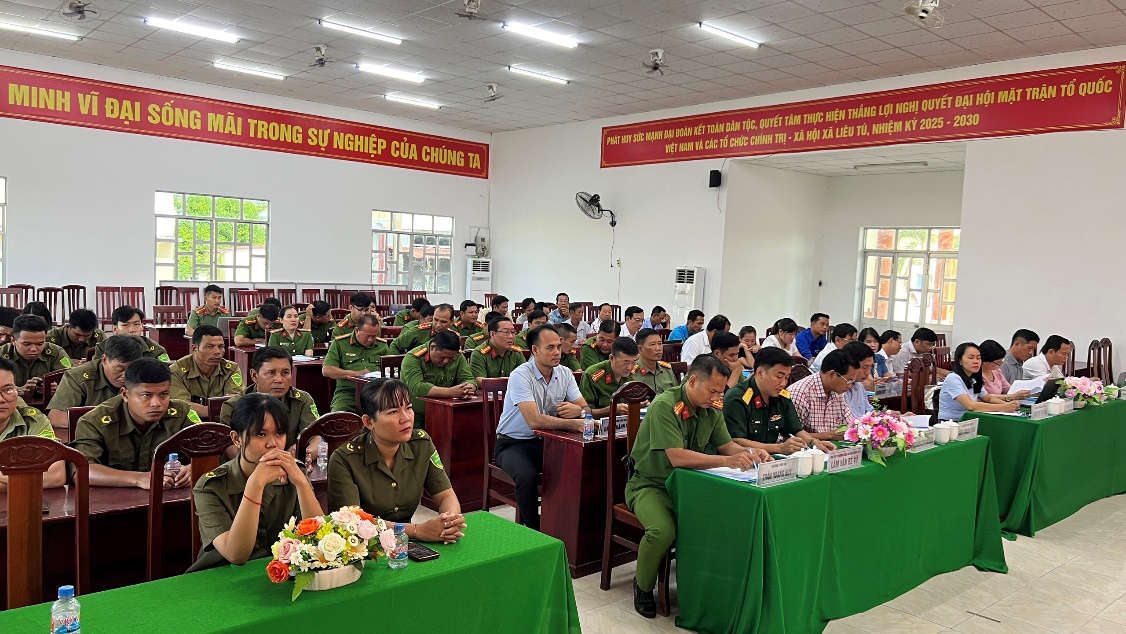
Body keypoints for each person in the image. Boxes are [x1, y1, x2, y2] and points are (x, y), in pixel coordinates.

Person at [626, 355, 772, 618]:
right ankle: (643, 586)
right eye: (712, 391)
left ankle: (708, 590)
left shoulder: (711, 408)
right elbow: (677, 457)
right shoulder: (665, 406)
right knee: (661, 531)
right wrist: (727, 460)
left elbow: (727, 445)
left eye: (720, 392)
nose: (716, 397)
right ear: (692, 381)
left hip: (693, 486)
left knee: (725, 523)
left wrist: (751, 453)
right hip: (652, 485)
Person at [188, 393, 323, 572]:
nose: (272, 444)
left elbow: (319, 537)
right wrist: (255, 484)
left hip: (280, 571)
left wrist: (301, 483)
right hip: (221, 575)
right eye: (260, 434)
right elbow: (236, 555)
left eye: (280, 433)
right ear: (236, 439)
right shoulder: (211, 486)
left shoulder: (294, 472)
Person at [328, 379, 466, 542]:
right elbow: (353, 522)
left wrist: (449, 522)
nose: (405, 418)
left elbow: (446, 496)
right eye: (393, 412)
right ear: (369, 422)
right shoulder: (344, 459)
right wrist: (416, 530)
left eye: (408, 408)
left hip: (409, 543)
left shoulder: (421, 444)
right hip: (365, 546)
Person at [495, 325, 591, 530]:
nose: (557, 352)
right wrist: (574, 423)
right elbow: (534, 421)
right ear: (535, 350)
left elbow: (585, 409)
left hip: (550, 442)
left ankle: (565, 525)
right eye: (550, 348)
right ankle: (534, 531)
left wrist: (579, 412)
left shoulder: (564, 373)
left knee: (579, 468)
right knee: (527, 477)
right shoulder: (521, 375)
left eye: (558, 347)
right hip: (513, 443)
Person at [71, 358, 201, 489]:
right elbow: (81, 471)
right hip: (114, 499)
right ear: (125, 394)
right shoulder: (94, 421)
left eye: (164, 394)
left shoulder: (181, 412)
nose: (156, 403)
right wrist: (138, 479)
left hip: (171, 496)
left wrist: (193, 468)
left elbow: (211, 450)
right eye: (146, 395)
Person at [723, 347, 837, 456]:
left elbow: (796, 430)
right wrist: (779, 448)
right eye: (779, 376)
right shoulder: (737, 398)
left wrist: (814, 443)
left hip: (772, 460)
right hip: (744, 461)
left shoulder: (781, 396)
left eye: (786, 378)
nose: (783, 383)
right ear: (760, 373)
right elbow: (736, 441)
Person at [220, 347, 318, 449]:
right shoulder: (232, 406)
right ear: (254, 375)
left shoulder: (302, 400)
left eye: (285, 373)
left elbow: (315, 438)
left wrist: (299, 454)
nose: (279, 380)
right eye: (271, 373)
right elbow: (230, 449)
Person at [47, 334, 146, 429]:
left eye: (131, 369)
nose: (125, 376)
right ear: (104, 360)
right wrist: (103, 423)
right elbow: (56, 418)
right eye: (120, 369)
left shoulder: (145, 374)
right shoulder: (77, 377)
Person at [0, 357, 66, 491]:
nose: (1, 399)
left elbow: (56, 476)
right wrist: (29, 480)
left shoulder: (33, 420)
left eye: (8, 390)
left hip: (22, 501)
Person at [400, 330, 476, 428]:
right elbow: (417, 387)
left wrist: (468, 388)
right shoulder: (413, 358)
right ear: (432, 347)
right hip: (417, 416)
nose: (446, 361)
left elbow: (468, 378)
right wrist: (450, 392)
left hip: (448, 413)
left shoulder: (457, 356)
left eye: (451, 359)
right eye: (442, 357)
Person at [322, 314, 392, 413]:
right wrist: (355, 374)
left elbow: (391, 368)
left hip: (376, 392)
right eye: (367, 336)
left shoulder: (382, 345)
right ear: (356, 330)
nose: (370, 340)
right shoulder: (340, 343)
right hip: (348, 392)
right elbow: (327, 370)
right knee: (338, 416)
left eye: (374, 336)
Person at [170, 325, 244, 418]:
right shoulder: (177, 371)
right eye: (210, 347)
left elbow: (236, 402)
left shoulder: (231, 369)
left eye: (221, 346)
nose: (217, 352)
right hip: (189, 422)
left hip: (223, 421)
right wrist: (218, 411)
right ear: (194, 348)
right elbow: (181, 406)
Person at [938, 343, 1023, 420]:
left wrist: (1007, 404)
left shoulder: (973, 378)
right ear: (960, 360)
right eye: (971, 358)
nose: (976, 361)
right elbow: (970, 405)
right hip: (951, 423)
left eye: (978, 358)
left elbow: (988, 398)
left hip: (970, 420)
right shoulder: (953, 378)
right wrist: (1003, 407)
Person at [789, 350, 858, 441]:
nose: (850, 386)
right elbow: (790, 436)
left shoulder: (837, 392)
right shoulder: (800, 393)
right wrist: (827, 435)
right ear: (831, 374)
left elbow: (850, 424)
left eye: (852, 381)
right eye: (848, 380)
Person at [0, 315, 72, 398]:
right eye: (27, 344)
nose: (34, 349)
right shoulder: (2, 354)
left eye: (40, 344)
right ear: (13, 341)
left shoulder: (56, 353)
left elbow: (74, 380)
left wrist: (58, 389)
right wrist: (16, 390)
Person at [580, 337, 640, 417]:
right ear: (611, 358)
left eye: (634, 362)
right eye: (625, 362)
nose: (629, 367)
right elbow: (584, 412)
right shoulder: (593, 375)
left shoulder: (632, 374)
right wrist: (611, 409)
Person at [92, 306, 170, 362]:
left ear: (142, 326)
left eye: (136, 324)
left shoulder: (156, 350)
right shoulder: (103, 348)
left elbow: (165, 373)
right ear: (115, 329)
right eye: (125, 325)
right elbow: (97, 372)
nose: (132, 330)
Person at [469, 316, 525, 385]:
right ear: (492, 334)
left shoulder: (516, 352)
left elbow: (524, 377)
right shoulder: (479, 353)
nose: (510, 336)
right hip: (489, 391)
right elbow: (480, 381)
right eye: (505, 332)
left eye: (513, 332)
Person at [629, 329, 678, 395]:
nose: (658, 348)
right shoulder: (632, 373)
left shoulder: (667, 370)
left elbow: (676, 394)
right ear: (640, 349)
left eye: (660, 343)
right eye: (652, 344)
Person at [841, 341, 876, 419]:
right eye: (865, 367)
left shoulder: (859, 386)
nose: (868, 372)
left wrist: (886, 416)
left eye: (870, 367)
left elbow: (869, 413)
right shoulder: (838, 389)